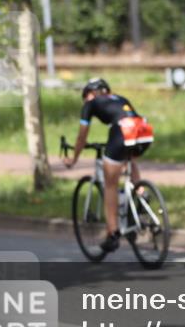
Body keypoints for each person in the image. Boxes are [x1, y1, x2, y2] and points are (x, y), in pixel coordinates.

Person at [63, 78, 154, 252]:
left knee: (110, 183)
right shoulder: (120, 98)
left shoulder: (90, 104)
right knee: (129, 159)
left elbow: (82, 136)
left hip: (121, 132)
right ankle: (141, 193)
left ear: (90, 94)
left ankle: (112, 233)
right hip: (142, 130)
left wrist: (74, 158)